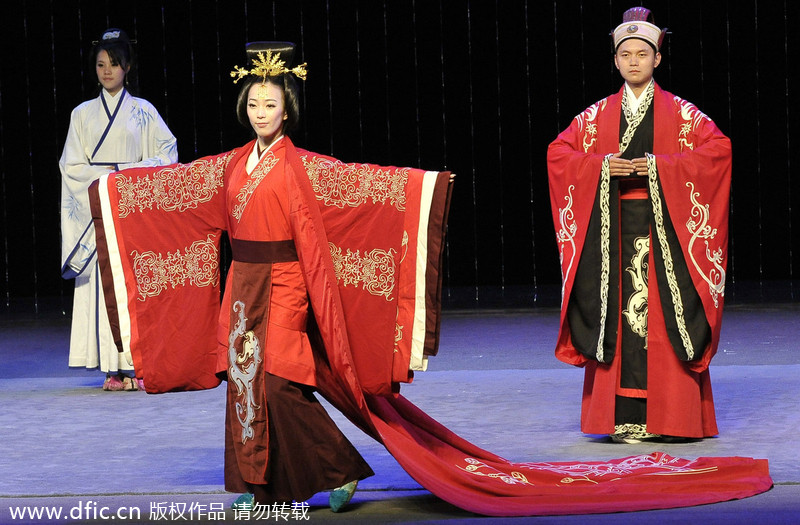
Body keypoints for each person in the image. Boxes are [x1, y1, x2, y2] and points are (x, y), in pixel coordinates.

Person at [88, 42, 769, 517]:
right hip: (244, 283)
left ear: (287, 111)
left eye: (272, 105)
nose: (262, 113)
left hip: (290, 281)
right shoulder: (231, 165)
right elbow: (178, 193)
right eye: (254, 105)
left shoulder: (299, 166)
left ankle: (322, 473)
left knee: (279, 377)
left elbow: (359, 191)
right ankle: (267, 483)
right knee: (246, 380)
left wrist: (420, 190)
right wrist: (117, 192)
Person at [547, 7, 732, 443]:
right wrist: (599, 166)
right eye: (625, 54)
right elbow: (559, 154)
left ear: (657, 60)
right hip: (610, 235)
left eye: (642, 54)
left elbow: (718, 151)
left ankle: (673, 420)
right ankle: (620, 420)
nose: (633, 61)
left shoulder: (683, 114)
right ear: (615, 61)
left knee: (667, 324)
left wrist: (655, 167)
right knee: (617, 324)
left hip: (667, 233)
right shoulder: (595, 117)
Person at [59, 28, 178, 391]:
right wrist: (107, 179)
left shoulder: (144, 112)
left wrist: (125, 176)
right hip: (97, 210)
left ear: (127, 67)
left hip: (128, 210)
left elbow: (167, 154)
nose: (106, 71)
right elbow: (72, 166)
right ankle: (111, 368)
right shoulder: (82, 114)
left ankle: (134, 364)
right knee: (101, 287)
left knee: (129, 287)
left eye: (114, 64)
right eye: (100, 64)